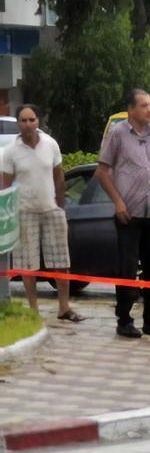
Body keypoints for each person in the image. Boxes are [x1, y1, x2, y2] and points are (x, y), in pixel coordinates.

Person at [95, 89, 150, 338]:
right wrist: (118, 202)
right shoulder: (118, 134)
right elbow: (102, 172)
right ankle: (124, 319)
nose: (149, 110)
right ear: (131, 109)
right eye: (143, 105)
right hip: (128, 215)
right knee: (128, 268)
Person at [0, 104, 82, 322]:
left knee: (61, 261)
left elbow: (59, 177)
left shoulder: (50, 144)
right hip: (24, 212)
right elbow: (5, 186)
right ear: (18, 124)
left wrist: (60, 207)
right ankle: (34, 310)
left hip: (51, 210)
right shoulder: (11, 151)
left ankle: (64, 308)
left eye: (32, 120)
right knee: (28, 264)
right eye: (24, 120)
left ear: (38, 121)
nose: (28, 124)